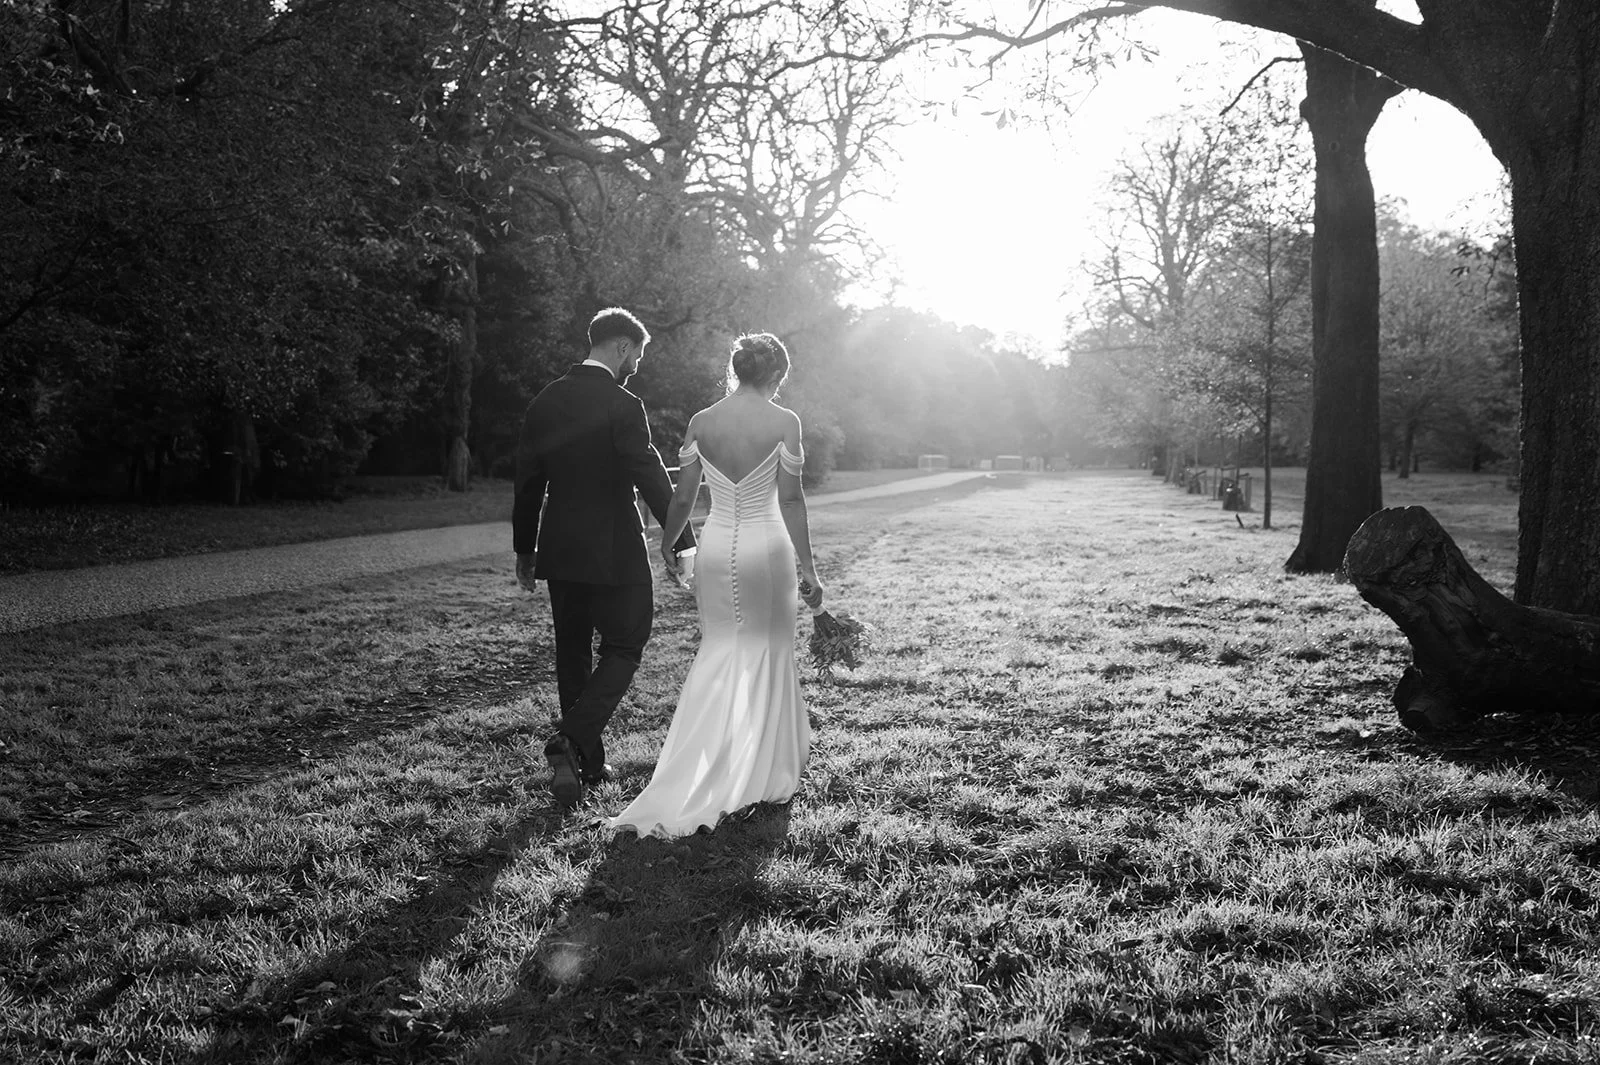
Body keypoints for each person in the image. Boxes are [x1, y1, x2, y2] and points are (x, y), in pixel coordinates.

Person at [610, 332, 821, 838]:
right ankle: (761, 769)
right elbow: (790, 501)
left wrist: (669, 540)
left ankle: (700, 767)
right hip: (766, 551)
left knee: (720, 650)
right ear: (776, 376)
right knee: (768, 649)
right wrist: (810, 568)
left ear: (736, 371)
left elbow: (683, 496)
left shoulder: (702, 422)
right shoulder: (784, 422)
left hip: (715, 546)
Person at [513, 307, 696, 807]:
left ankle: (586, 764)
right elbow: (649, 473)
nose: (636, 362)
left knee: (571, 650)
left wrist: (524, 549)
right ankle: (570, 741)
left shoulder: (545, 401)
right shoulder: (623, 404)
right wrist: (683, 541)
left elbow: (528, 483)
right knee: (627, 642)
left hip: (560, 548)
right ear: (621, 346)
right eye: (637, 352)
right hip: (615, 549)